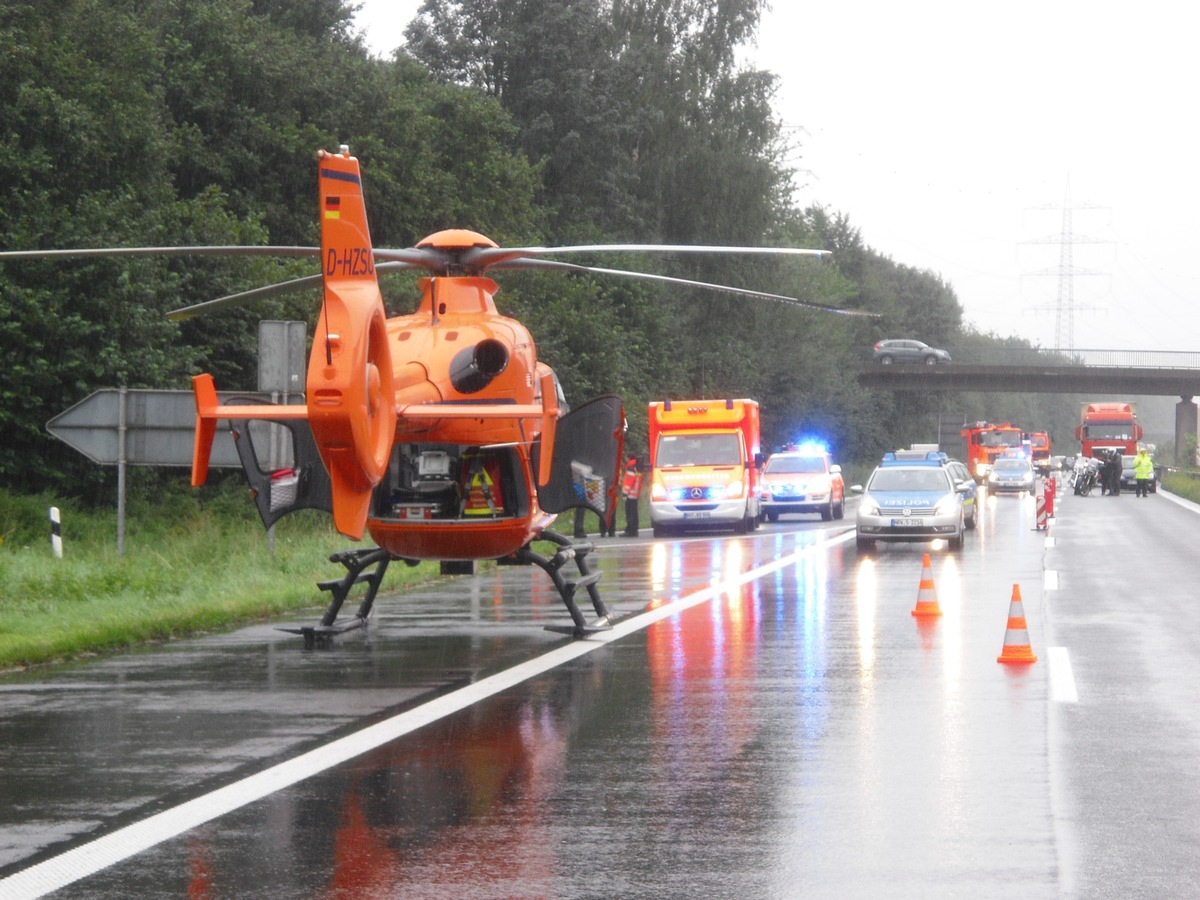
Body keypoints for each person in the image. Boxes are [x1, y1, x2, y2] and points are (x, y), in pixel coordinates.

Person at [621, 457, 643, 537]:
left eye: (626, 458)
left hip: (630, 495)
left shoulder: (631, 468)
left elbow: (628, 483)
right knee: (634, 513)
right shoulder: (637, 467)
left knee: (630, 513)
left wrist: (624, 494)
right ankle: (634, 530)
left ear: (628, 458)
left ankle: (630, 531)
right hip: (635, 494)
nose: (625, 459)